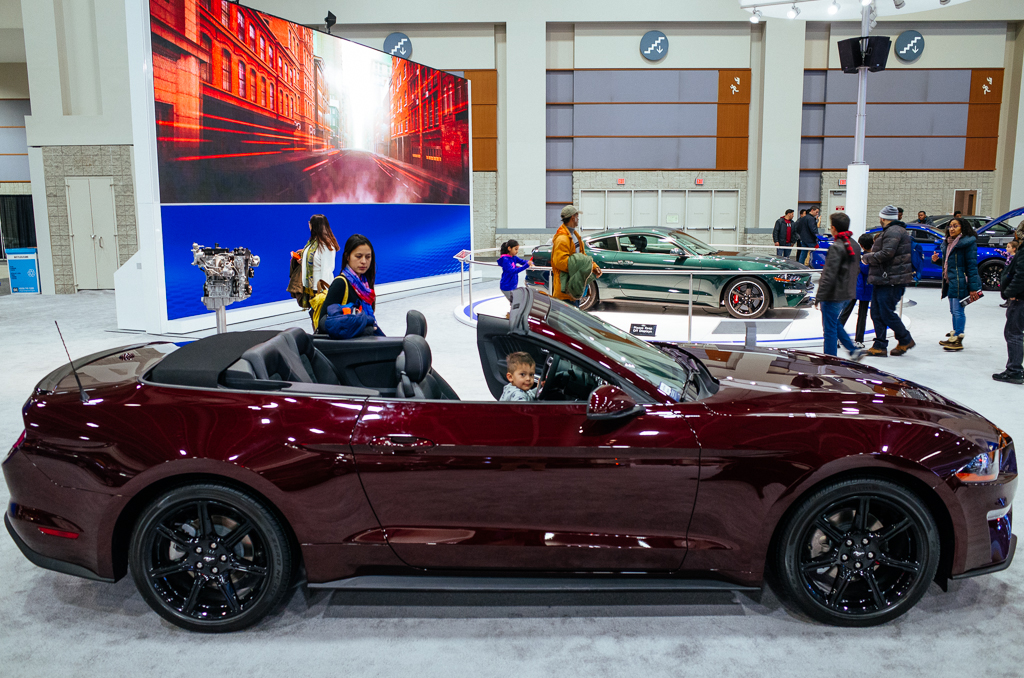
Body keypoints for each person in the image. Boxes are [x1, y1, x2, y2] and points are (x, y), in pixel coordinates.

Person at [863, 205, 915, 357]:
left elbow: (887, 253)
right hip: (885, 279)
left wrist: (867, 257)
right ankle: (880, 345)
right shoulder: (894, 231)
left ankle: (905, 339)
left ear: (883, 218)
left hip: (891, 280)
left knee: (885, 313)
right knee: (876, 313)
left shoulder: (893, 231)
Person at [816, 213, 865, 360]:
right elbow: (856, 269)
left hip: (833, 294)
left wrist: (819, 296)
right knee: (833, 323)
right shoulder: (854, 245)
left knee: (829, 329)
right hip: (847, 292)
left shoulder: (837, 246)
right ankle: (852, 350)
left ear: (834, 228)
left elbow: (829, 274)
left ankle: (830, 360)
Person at [930, 217, 982, 351]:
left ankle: (958, 339)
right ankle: (954, 335)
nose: (951, 229)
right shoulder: (948, 242)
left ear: (962, 228)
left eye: (955, 226)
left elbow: (971, 266)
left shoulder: (967, 243)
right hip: (950, 281)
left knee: (958, 311)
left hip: (960, 281)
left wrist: (973, 288)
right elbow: (950, 263)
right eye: (950, 226)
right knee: (953, 311)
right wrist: (937, 261)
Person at [318, 234, 383, 339]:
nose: (364, 261)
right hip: (348, 345)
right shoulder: (340, 283)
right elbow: (323, 322)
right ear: (347, 257)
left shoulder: (365, 285)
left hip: (363, 341)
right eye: (358, 256)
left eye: (368, 257)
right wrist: (361, 327)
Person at [551, 205, 601, 306]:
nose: (578, 219)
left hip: (574, 288)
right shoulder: (562, 238)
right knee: (566, 316)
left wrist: (593, 266)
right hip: (565, 291)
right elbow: (560, 262)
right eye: (577, 216)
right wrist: (582, 267)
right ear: (573, 217)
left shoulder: (574, 235)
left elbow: (582, 256)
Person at [994, 237, 1024, 384]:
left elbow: (1021, 276)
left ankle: (1014, 371)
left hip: (1020, 299)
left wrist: (1009, 292)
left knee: (1014, 333)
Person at [838, 232, 875, 347]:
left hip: (856, 287)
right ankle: (859, 340)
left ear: (861, 245)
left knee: (846, 312)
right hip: (865, 288)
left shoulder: (857, 257)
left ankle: (837, 336)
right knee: (861, 315)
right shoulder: (872, 258)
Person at [300, 214, 339, 310]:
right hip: (310, 288)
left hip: (319, 290)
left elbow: (327, 270)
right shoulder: (312, 243)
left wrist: (322, 292)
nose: (308, 224)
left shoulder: (326, 246)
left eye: (310, 223)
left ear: (314, 226)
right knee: (314, 315)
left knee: (320, 316)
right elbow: (313, 261)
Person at [1001, 240, 1017, 308]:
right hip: (1006, 270)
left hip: (1010, 272)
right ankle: (1007, 300)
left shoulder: (1014, 257)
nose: (1006, 248)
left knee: (1009, 286)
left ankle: (1010, 301)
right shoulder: (1008, 255)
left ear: (1014, 249)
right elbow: (1003, 254)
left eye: (1008, 247)